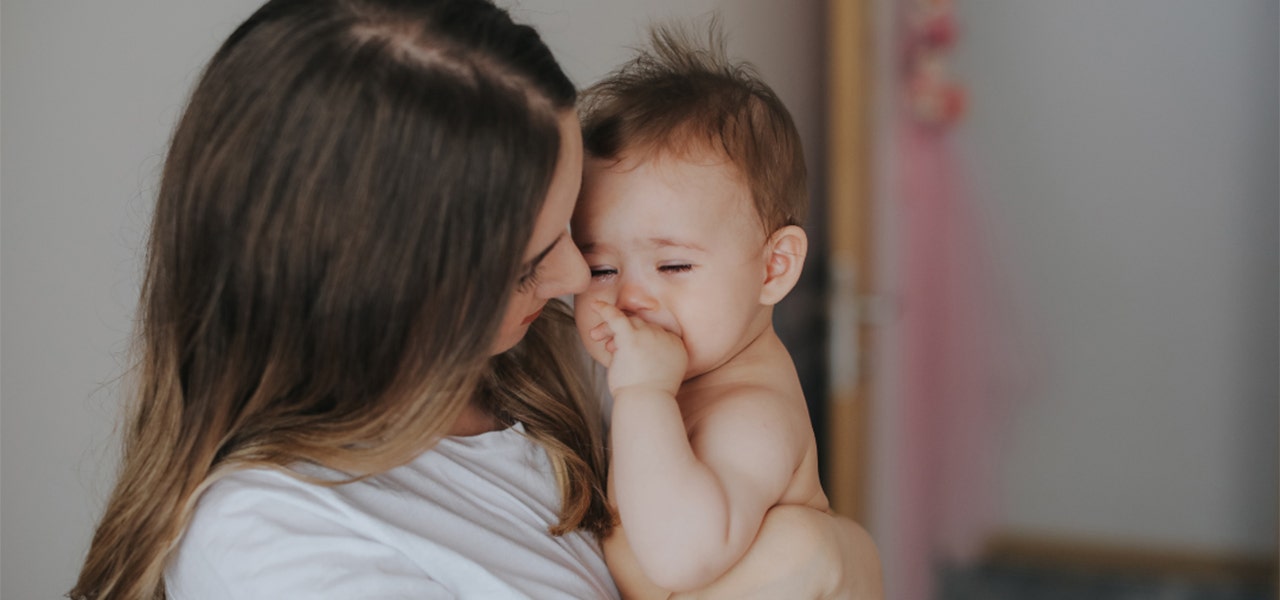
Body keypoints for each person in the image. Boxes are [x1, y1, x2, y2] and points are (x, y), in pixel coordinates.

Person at [69, 0, 882, 598]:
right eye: (535, 261)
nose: (574, 283)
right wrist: (805, 564)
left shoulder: (561, 360)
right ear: (387, 295)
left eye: (570, 231)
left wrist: (831, 558)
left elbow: (838, 557)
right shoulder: (275, 542)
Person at [571, 24, 837, 597]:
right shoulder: (686, 381)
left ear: (774, 268)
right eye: (600, 269)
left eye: (673, 266)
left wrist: (644, 395)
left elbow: (678, 560)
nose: (629, 299)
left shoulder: (754, 415)